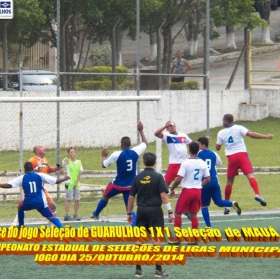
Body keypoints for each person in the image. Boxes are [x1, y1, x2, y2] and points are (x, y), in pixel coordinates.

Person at [127, 152, 173, 278]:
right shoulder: (158, 177)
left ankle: (138, 270)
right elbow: (163, 196)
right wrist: (170, 211)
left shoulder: (137, 177)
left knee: (139, 240)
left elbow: (131, 197)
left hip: (141, 210)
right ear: (155, 162)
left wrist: (129, 213)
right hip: (155, 211)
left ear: (143, 162)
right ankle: (158, 271)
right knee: (156, 241)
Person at [216, 114, 274, 214]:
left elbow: (218, 147)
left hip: (231, 157)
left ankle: (226, 206)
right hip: (242, 155)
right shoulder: (239, 128)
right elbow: (251, 134)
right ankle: (257, 194)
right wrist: (266, 137)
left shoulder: (221, 132)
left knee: (229, 181)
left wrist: (221, 143)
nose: (222, 122)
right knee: (250, 175)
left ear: (226, 121)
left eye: (223, 120)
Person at [91, 120, 147, 220]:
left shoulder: (116, 154)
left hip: (117, 185)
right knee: (129, 210)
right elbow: (145, 143)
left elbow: (104, 165)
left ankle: (96, 214)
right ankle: (136, 227)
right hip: (130, 186)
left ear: (121, 144)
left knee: (105, 196)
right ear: (130, 144)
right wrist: (141, 131)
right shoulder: (135, 152)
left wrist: (103, 156)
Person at [0, 162, 69, 228]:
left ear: (25, 170)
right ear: (33, 168)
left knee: (20, 207)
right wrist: (65, 178)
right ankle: (62, 230)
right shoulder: (40, 175)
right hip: (40, 202)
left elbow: (8, 185)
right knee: (51, 217)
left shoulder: (22, 178)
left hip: (28, 202)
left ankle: (21, 226)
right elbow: (57, 181)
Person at [168, 142, 210, 245]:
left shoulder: (185, 163)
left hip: (187, 190)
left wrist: (172, 188)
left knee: (178, 213)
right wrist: (199, 185)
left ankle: (177, 238)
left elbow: (178, 178)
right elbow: (208, 179)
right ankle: (194, 239)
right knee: (193, 214)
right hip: (197, 191)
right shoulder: (202, 163)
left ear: (189, 150)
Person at [196, 137, 241, 227]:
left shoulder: (198, 154)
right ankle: (232, 203)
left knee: (204, 205)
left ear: (203, 145)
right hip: (214, 182)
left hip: (204, 182)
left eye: (199, 144)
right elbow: (219, 163)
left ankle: (208, 227)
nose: (198, 146)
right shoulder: (214, 154)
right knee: (219, 202)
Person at [154, 121, 192, 186]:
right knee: (166, 182)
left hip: (184, 162)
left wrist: (190, 155)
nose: (172, 127)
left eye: (173, 125)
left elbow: (191, 144)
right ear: (167, 129)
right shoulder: (166, 135)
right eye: (170, 126)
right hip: (174, 163)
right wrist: (165, 126)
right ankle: (161, 194)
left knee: (187, 181)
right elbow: (156, 134)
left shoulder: (183, 135)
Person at [64, 147, 83, 221]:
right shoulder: (67, 162)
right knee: (68, 199)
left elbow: (80, 172)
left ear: (75, 153)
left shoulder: (79, 162)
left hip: (76, 183)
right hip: (69, 183)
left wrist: (76, 182)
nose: (72, 153)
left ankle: (75, 214)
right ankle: (67, 215)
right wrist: (65, 175)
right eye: (70, 152)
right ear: (68, 154)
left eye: (73, 152)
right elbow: (60, 169)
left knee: (77, 199)